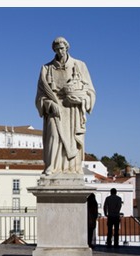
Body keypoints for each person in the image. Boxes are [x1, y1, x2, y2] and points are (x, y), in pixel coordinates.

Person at [35, 37, 96, 176]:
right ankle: (52, 166)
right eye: (56, 49)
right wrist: (49, 104)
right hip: (54, 108)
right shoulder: (46, 68)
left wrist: (81, 99)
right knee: (53, 137)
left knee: (73, 140)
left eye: (61, 48)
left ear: (67, 48)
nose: (60, 51)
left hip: (72, 109)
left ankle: (73, 168)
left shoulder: (79, 65)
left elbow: (90, 91)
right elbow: (39, 95)